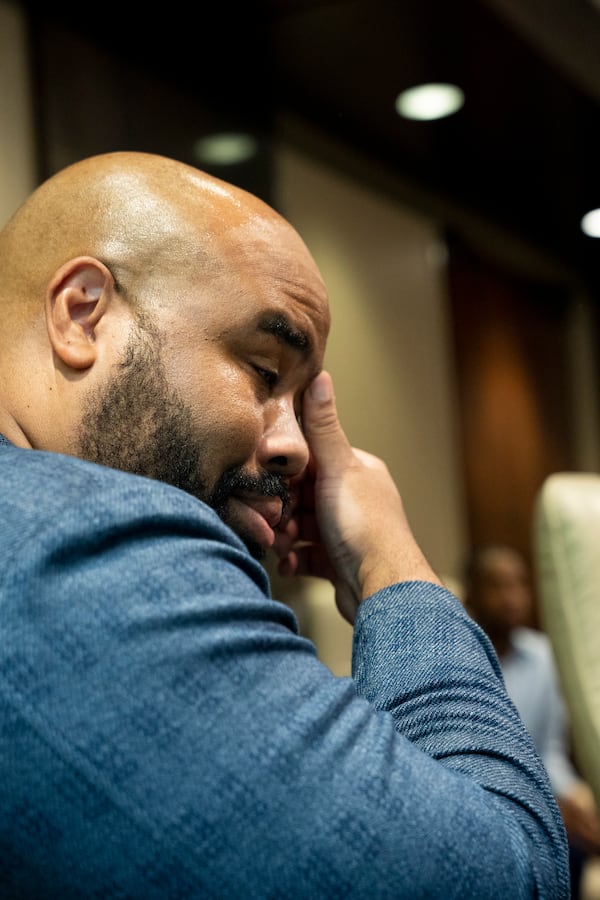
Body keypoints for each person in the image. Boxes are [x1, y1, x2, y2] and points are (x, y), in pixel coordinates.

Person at [0, 151, 568, 899]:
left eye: (302, 403)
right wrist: (392, 568)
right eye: (265, 372)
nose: (296, 445)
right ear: (83, 313)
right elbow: (507, 875)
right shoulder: (78, 547)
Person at [464, 543, 600, 899]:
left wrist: (571, 797)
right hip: (476, 803)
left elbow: (549, 750)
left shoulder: (544, 658)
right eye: (498, 585)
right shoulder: (458, 662)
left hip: (537, 799)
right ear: (470, 594)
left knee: (576, 840)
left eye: (520, 584)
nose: (513, 597)